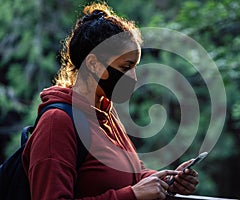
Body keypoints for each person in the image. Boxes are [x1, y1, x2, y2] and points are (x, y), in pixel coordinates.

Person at [22, 2, 199, 200]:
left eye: (135, 67)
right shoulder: (57, 122)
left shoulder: (106, 113)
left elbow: (131, 174)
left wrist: (164, 182)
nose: (134, 77)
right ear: (93, 64)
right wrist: (132, 196)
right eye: (125, 67)